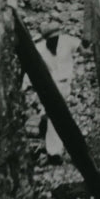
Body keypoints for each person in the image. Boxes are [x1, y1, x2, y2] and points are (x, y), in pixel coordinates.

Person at [23, 22, 81, 159]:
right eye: (51, 39)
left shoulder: (67, 41)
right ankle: (54, 151)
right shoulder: (39, 49)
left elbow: (83, 48)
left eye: (56, 38)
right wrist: (25, 85)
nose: (54, 41)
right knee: (54, 117)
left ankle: (57, 145)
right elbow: (30, 68)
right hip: (50, 87)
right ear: (46, 39)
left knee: (55, 116)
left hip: (65, 85)